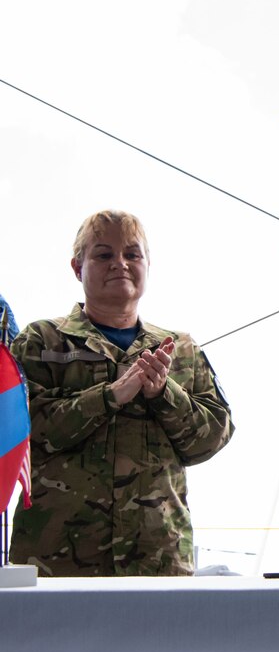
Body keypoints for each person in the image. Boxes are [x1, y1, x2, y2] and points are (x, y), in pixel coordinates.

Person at [9, 210, 234, 576]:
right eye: (103, 255)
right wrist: (111, 395)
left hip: (157, 562)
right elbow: (21, 434)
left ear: (148, 264)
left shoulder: (180, 349)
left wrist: (164, 392)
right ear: (77, 266)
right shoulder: (41, 341)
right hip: (55, 562)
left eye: (132, 254)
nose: (120, 264)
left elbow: (210, 439)